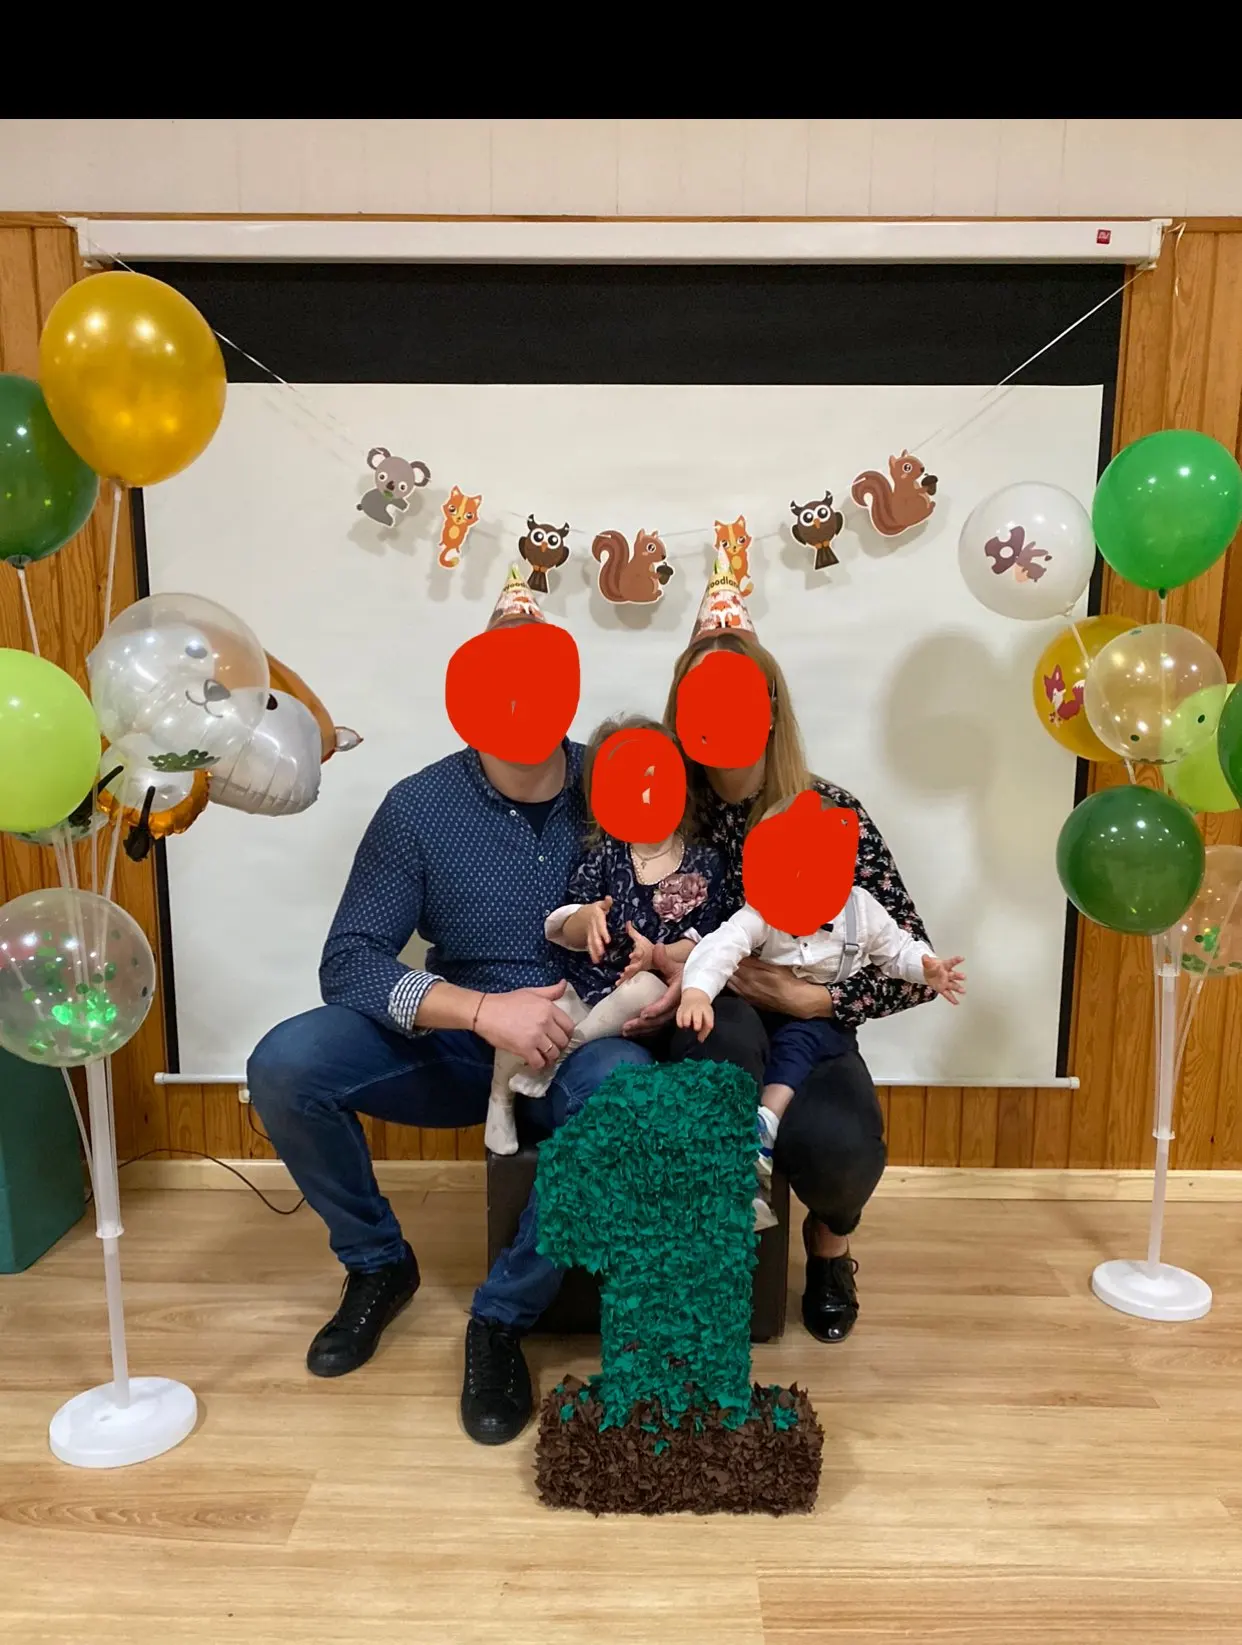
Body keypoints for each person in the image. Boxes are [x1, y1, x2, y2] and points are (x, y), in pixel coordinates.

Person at [245, 566, 647, 1446]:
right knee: (284, 1064)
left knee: (629, 1096)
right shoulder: (419, 807)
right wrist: (478, 1010)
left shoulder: (618, 784)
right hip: (462, 1047)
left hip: (590, 1037)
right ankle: (377, 1263)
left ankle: (500, 1317)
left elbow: (684, 891)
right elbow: (349, 961)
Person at [629, 562, 939, 1343]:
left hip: (812, 1024)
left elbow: (913, 962)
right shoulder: (665, 812)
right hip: (709, 1018)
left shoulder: (829, 813)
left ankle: (830, 1246)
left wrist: (821, 998)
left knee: (842, 1148)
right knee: (720, 1054)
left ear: (770, 705)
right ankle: (708, 1253)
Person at [676, 786, 966, 1226]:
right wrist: (697, 991)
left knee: (808, 1047)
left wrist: (926, 968)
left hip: (823, 1020)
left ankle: (766, 1124)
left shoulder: (861, 910)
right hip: (759, 1017)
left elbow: (896, 949)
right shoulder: (765, 909)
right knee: (748, 1046)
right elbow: (722, 946)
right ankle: (742, 1170)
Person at [489, 713, 726, 1149]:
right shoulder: (606, 853)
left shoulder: (703, 863)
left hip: (641, 995)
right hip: (585, 985)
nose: (646, 793)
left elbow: (706, 939)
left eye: (656, 777)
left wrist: (657, 955)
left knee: (646, 988)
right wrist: (586, 920)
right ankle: (500, 1101)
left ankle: (564, 1052)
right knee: (533, 1012)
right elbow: (567, 917)